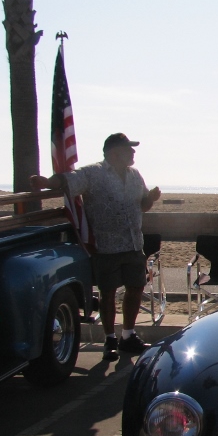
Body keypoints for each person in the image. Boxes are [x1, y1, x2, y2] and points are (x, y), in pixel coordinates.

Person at [30, 133, 161, 361]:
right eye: (128, 149)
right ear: (114, 152)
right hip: (105, 246)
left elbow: (143, 206)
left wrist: (151, 198)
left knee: (135, 289)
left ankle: (128, 335)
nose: (133, 153)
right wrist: (46, 183)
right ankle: (110, 338)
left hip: (133, 243)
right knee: (107, 293)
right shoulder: (94, 173)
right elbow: (67, 180)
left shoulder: (134, 175)